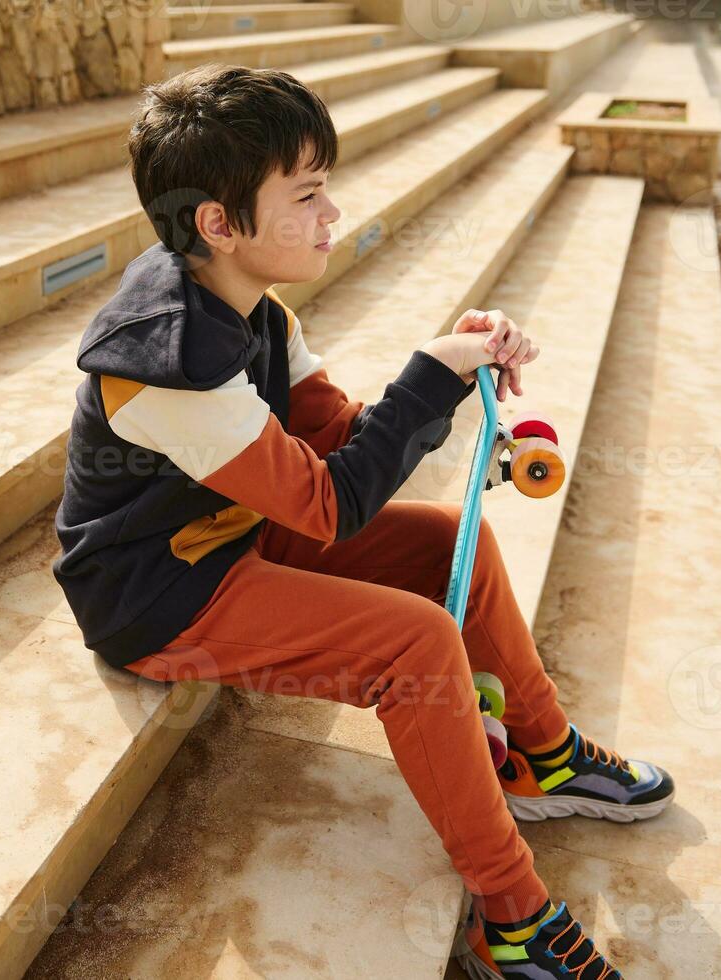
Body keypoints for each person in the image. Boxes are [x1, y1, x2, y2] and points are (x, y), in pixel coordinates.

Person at [51, 62, 674, 979]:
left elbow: (335, 442)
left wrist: (450, 371)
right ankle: (511, 914)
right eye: (305, 194)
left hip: (234, 530)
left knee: (439, 540)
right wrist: (430, 374)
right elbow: (329, 506)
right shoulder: (163, 362)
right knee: (413, 643)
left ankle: (539, 754)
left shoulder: (246, 303)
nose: (331, 214)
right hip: (157, 592)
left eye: (325, 189)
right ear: (219, 223)